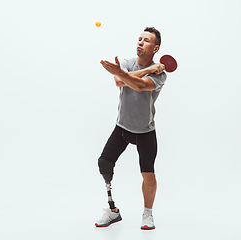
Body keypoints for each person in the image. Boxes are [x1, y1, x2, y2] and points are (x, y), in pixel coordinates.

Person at [95, 27, 167, 230]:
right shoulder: (126, 63)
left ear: (155, 48)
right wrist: (127, 71)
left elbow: (140, 86)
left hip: (145, 131)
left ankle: (147, 214)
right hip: (122, 127)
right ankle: (112, 210)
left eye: (146, 40)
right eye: (139, 39)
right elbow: (119, 81)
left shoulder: (161, 75)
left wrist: (126, 74)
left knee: (148, 175)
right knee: (104, 163)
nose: (140, 42)